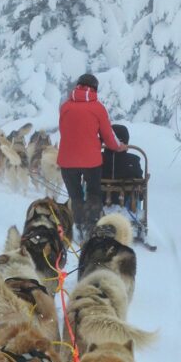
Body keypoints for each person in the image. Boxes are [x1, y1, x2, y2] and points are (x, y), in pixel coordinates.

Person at [57, 73, 127, 239]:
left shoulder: (65, 107)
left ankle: (78, 225)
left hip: (67, 160)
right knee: (94, 194)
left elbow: (64, 131)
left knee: (75, 196)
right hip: (91, 161)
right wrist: (119, 147)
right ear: (94, 89)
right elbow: (109, 136)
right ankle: (91, 227)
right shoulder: (97, 108)